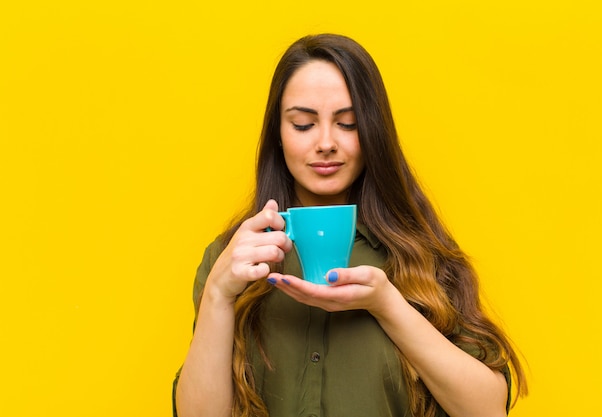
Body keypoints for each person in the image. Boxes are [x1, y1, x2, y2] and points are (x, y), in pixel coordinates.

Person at [173, 33, 528, 417]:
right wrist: (218, 294)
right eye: (304, 125)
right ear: (278, 134)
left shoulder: (422, 255)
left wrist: (387, 305)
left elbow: (489, 411)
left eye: (347, 124)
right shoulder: (233, 259)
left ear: (373, 132)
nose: (326, 142)